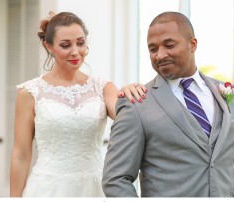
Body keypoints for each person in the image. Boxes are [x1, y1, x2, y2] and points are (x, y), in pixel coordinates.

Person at [102, 11, 234, 197]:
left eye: (169, 45)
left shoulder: (233, 96)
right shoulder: (136, 104)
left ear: (192, 45)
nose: (160, 55)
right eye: (153, 49)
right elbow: (115, 179)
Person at [10, 11, 146, 197]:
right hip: (47, 189)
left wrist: (129, 92)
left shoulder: (103, 87)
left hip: (94, 187)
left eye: (80, 43)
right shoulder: (29, 92)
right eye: (66, 45)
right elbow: (21, 155)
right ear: (48, 46)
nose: (75, 51)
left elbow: (128, 116)